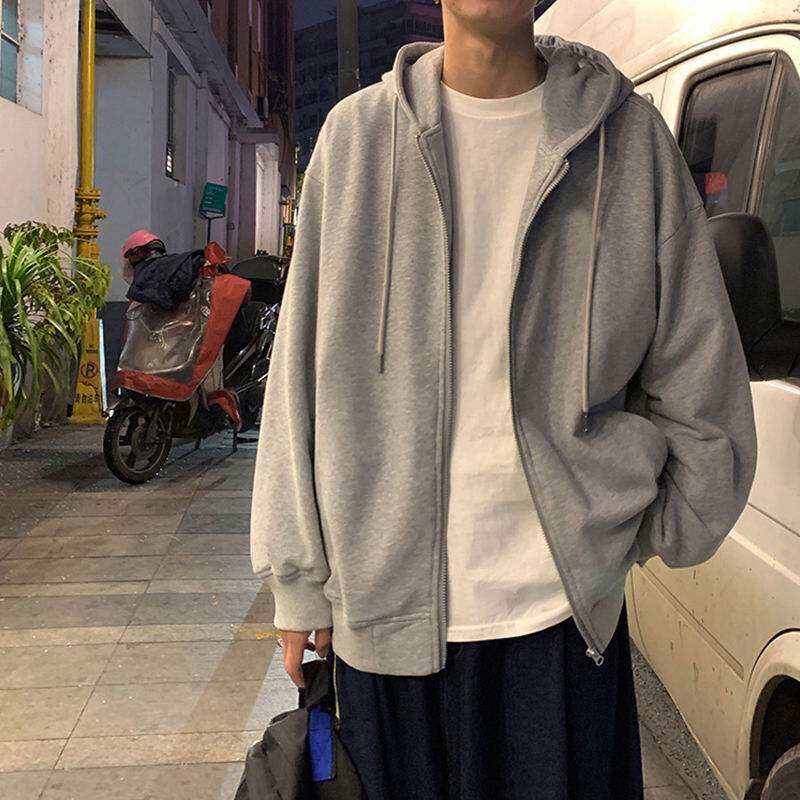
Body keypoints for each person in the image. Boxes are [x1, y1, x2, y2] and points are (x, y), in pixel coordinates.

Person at [250, 2, 758, 798]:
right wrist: (297, 579)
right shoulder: (355, 141)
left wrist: (623, 534)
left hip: (559, 626)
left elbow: (701, 374)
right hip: (385, 628)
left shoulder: (628, 144)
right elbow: (297, 379)